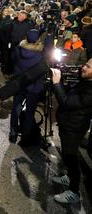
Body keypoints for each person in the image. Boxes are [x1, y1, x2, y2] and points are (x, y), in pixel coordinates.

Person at [50, 57, 92, 204]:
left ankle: (74, 192)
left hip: (74, 128)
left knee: (71, 158)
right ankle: (68, 177)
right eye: (84, 64)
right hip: (68, 124)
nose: (83, 68)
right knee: (67, 156)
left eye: (88, 67)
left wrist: (56, 83)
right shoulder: (86, 81)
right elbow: (70, 94)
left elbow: (67, 102)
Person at [9, 29, 44, 145]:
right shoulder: (40, 54)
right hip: (34, 87)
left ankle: (13, 135)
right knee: (29, 113)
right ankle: (25, 138)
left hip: (20, 83)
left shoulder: (18, 50)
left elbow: (13, 62)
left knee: (16, 110)